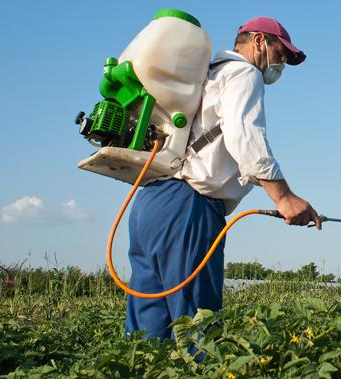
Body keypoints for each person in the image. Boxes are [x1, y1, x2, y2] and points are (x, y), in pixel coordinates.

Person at [124, 16, 321, 339]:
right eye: (281, 54)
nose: (281, 64)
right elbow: (245, 137)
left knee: (146, 333)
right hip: (188, 207)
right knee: (198, 330)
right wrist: (284, 198)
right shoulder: (244, 73)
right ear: (258, 41)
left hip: (151, 201)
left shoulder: (207, 75)